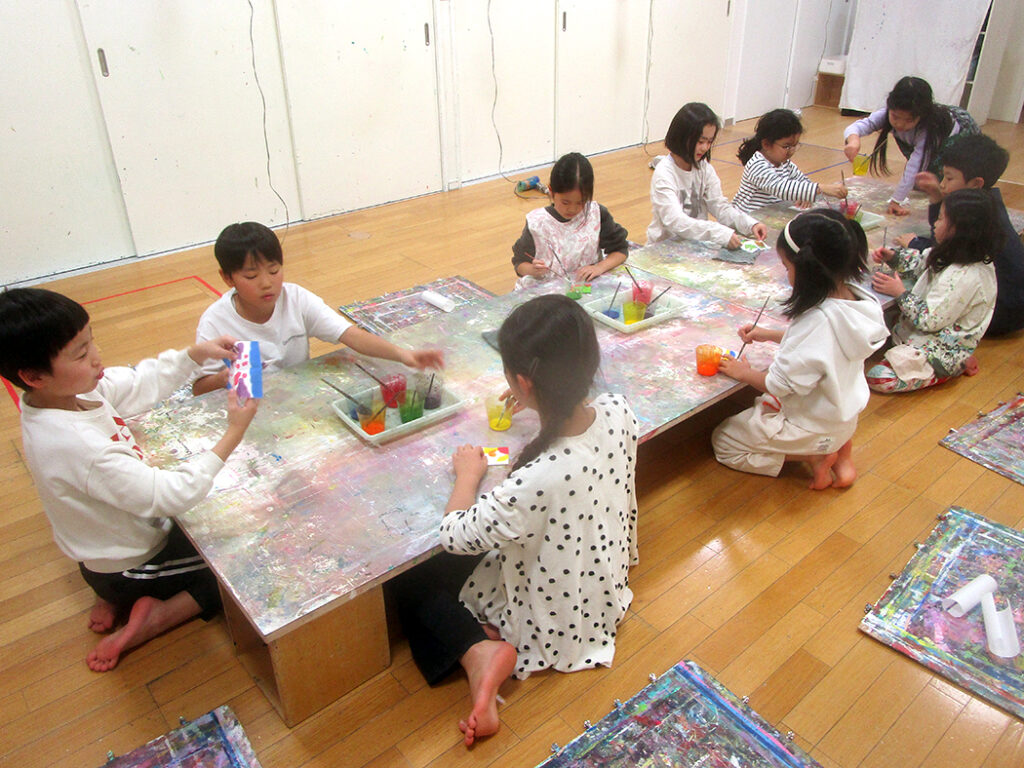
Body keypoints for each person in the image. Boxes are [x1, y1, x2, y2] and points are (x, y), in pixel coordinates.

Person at [389, 294, 639, 746]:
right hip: (602, 584)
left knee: (410, 580)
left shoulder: (538, 479)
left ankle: (477, 652)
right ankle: (479, 648)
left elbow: (454, 535)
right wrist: (541, 401)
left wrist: (468, 476)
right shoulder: (619, 409)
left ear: (523, 381)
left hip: (555, 618)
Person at [0, 287, 260, 671]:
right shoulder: (76, 444)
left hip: (100, 555)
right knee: (240, 562)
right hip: (134, 564)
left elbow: (139, 382)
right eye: (81, 354)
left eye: (91, 342)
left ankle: (111, 594)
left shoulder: (59, 398)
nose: (96, 357)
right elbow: (167, 495)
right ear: (33, 375)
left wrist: (194, 355)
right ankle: (155, 614)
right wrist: (234, 432)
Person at [712, 210, 888, 489]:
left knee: (724, 440)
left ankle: (816, 455)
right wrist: (770, 335)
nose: (786, 275)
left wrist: (742, 372)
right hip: (842, 416)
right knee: (768, 407)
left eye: (786, 267)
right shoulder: (860, 301)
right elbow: (824, 347)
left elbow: (778, 385)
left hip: (813, 425)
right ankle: (840, 449)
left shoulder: (816, 321)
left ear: (807, 270)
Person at [192, 222, 443, 395]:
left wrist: (403, 355)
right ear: (227, 278)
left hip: (296, 396)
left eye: (274, 271)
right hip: (247, 408)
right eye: (251, 276)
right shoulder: (215, 322)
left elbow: (351, 335)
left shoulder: (295, 298)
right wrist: (225, 378)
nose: (267, 283)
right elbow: (198, 387)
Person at [868, 189, 1000, 393]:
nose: (935, 224)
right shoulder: (949, 251)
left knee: (879, 377)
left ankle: (951, 367)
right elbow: (921, 262)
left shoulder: (966, 276)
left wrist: (900, 293)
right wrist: (893, 257)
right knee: (876, 320)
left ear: (959, 229)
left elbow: (929, 320)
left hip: (939, 349)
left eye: (940, 218)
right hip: (921, 331)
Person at [894, 133, 1024, 337]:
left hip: (1001, 313)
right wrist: (937, 196)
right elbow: (945, 232)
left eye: (949, 178)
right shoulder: (986, 204)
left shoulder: (977, 217)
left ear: (976, 183)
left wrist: (915, 243)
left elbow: (945, 248)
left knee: (923, 289)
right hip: (1014, 305)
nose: (942, 183)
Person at [843, 76, 978, 216]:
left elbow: (915, 166)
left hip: (960, 138)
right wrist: (853, 141)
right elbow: (858, 126)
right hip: (934, 142)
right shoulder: (887, 113)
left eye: (909, 120)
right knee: (924, 185)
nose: (900, 124)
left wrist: (896, 200)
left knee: (953, 184)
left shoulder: (929, 129)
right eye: (895, 117)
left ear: (921, 116)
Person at [647, 102, 768, 249]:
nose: (705, 147)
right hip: (664, 248)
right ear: (681, 137)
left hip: (695, 245)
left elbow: (720, 207)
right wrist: (718, 232)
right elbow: (676, 221)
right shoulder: (664, 173)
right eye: (700, 141)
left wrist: (750, 224)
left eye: (709, 142)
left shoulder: (704, 169)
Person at [511, 152, 629, 289]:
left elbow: (620, 250)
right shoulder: (538, 223)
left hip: (584, 290)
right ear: (551, 191)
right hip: (544, 292)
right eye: (565, 202)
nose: (572, 209)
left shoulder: (596, 214)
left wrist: (599, 267)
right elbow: (519, 263)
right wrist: (532, 270)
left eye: (581, 202)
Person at [732, 109, 847, 213]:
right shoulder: (757, 165)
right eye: (786, 146)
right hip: (746, 219)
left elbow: (802, 181)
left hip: (769, 215)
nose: (791, 151)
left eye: (795, 145)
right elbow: (781, 187)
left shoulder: (785, 164)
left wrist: (805, 195)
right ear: (766, 144)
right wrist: (820, 188)